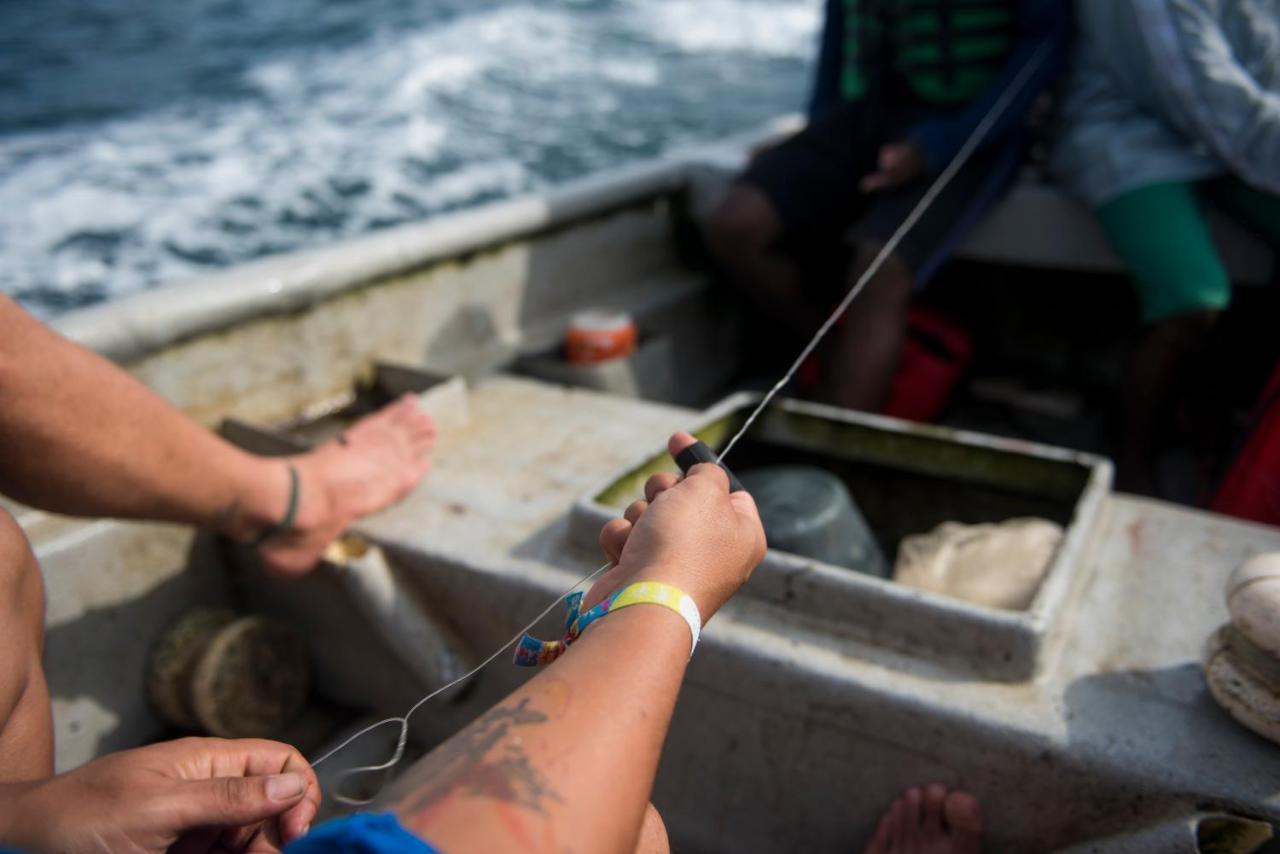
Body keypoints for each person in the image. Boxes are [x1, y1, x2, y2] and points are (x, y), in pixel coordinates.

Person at [706, 0, 1071, 413]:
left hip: (977, 129)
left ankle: (840, 436)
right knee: (736, 226)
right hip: (868, 115)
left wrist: (935, 146)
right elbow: (838, 48)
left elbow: (1045, 46)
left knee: (879, 267)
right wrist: (814, 136)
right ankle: (833, 354)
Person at [1050, 0, 1280, 495]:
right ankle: (1132, 456)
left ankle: (1232, 428)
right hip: (1130, 138)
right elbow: (1203, 97)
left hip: (1231, 143)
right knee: (1191, 297)